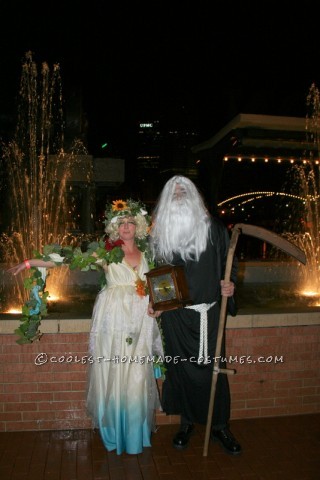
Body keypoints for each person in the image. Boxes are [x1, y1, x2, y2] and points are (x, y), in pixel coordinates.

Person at [8, 198, 164, 455]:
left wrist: (155, 305)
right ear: (115, 227)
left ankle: (135, 435)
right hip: (112, 318)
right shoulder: (105, 252)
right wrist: (29, 263)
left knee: (137, 375)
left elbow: (158, 285)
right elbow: (66, 259)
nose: (126, 227)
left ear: (138, 226)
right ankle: (114, 432)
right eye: (121, 223)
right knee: (113, 372)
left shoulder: (148, 253)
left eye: (130, 223)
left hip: (140, 321)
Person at [148, 175, 241, 455]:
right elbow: (156, 273)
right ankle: (186, 423)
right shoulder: (159, 235)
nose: (179, 195)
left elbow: (229, 263)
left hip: (210, 316)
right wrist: (156, 302)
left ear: (194, 196)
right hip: (176, 318)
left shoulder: (213, 229)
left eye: (183, 191)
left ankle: (219, 426)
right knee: (181, 370)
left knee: (214, 370)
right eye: (173, 192)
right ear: (166, 199)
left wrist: (230, 285)